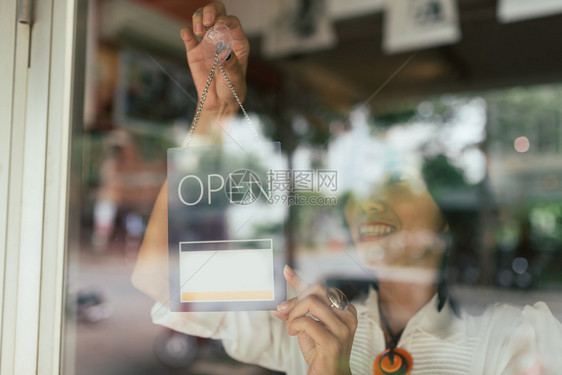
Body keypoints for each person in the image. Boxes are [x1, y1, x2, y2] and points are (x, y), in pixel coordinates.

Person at [132, 3, 562, 374]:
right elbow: (162, 278)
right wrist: (216, 111)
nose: (369, 203)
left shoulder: (517, 335)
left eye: (397, 183)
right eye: (358, 193)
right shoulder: (303, 310)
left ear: (445, 215)